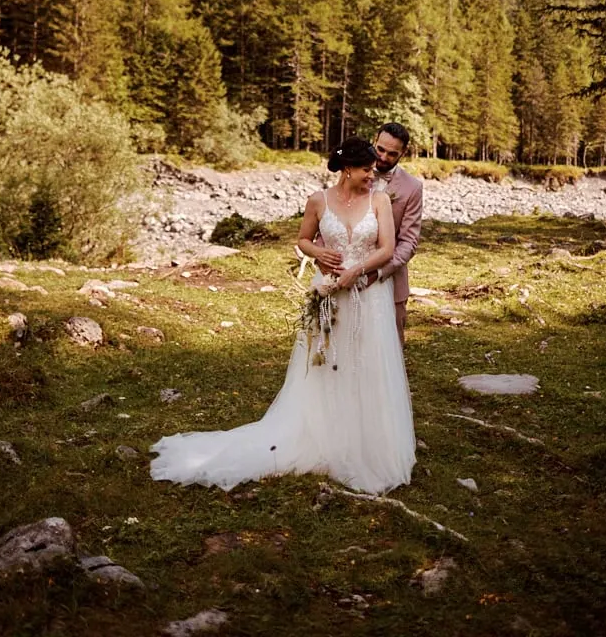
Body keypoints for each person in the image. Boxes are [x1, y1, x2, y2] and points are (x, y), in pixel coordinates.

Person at [150, 136, 415, 496]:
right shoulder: (318, 201)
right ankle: (326, 436)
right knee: (327, 365)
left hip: (369, 296)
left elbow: (387, 248)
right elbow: (302, 240)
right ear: (347, 169)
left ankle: (371, 443)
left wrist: (358, 271)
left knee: (368, 363)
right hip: (328, 293)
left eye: (373, 169)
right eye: (366, 169)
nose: (373, 175)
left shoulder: (379, 200)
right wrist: (319, 253)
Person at [362, 123, 423, 345]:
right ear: (374, 140)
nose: (383, 157)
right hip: (349, 270)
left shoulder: (412, 187)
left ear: (403, 153)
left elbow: (409, 242)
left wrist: (379, 272)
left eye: (392, 154)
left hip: (390, 278)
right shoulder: (354, 172)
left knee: (390, 348)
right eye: (380, 149)